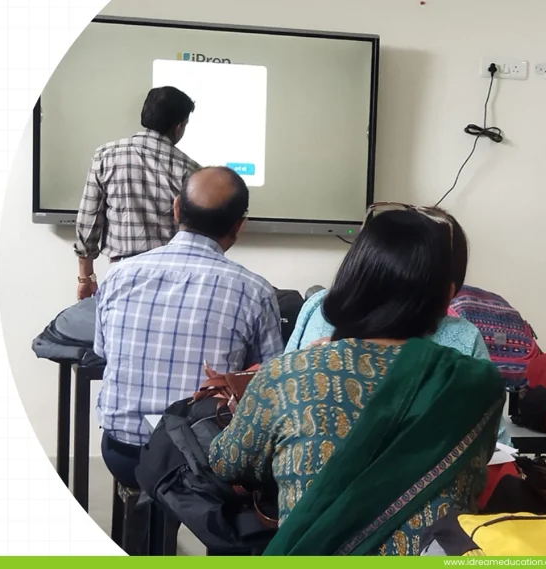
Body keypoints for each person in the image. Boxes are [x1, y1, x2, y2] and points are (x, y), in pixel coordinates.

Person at [209, 206, 505, 556]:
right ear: (447, 296)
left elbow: (227, 461)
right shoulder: (476, 385)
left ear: (349, 282)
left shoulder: (288, 374)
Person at [94, 166, 283, 489]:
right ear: (239, 225)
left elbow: (103, 352)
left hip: (124, 453)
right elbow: (267, 384)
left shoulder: (119, 275)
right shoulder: (254, 292)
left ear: (177, 208)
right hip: (204, 462)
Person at [284, 205, 511, 446]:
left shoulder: (318, 306)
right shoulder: (462, 337)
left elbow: (282, 397)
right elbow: (497, 444)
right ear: (448, 290)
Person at [74, 86, 201, 300]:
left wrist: (86, 277)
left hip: (121, 275)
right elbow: (195, 234)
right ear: (179, 126)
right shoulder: (191, 169)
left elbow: (89, 221)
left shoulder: (106, 155)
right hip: (172, 279)